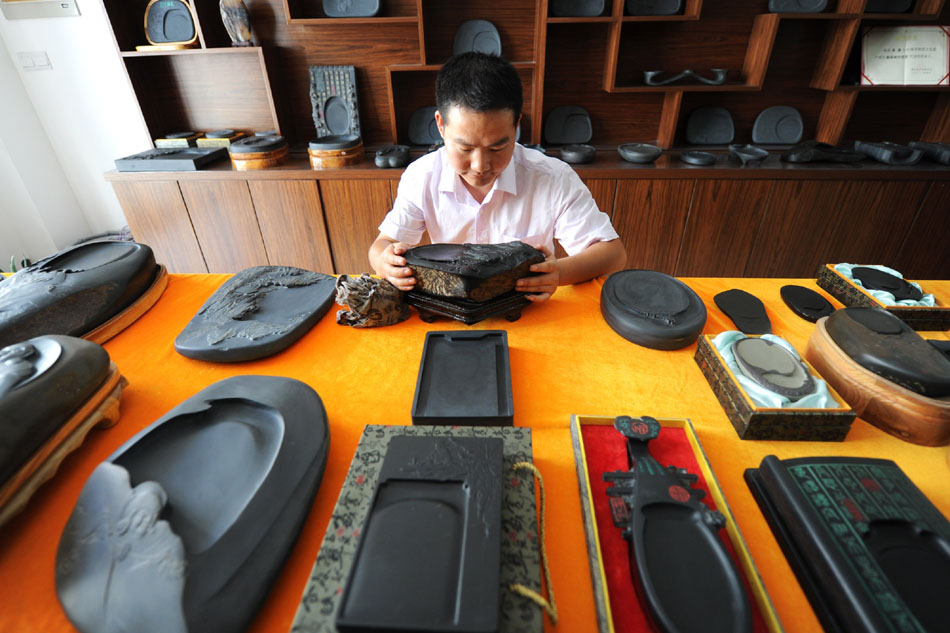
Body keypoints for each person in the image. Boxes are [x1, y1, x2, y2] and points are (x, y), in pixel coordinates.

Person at [369, 52, 626, 302]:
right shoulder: (421, 176)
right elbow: (382, 246)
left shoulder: (553, 177)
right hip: (453, 310)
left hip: (527, 310)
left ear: (516, 127)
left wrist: (559, 272)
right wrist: (386, 263)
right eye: (465, 148)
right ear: (440, 125)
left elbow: (612, 254)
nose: (480, 165)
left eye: (497, 148)